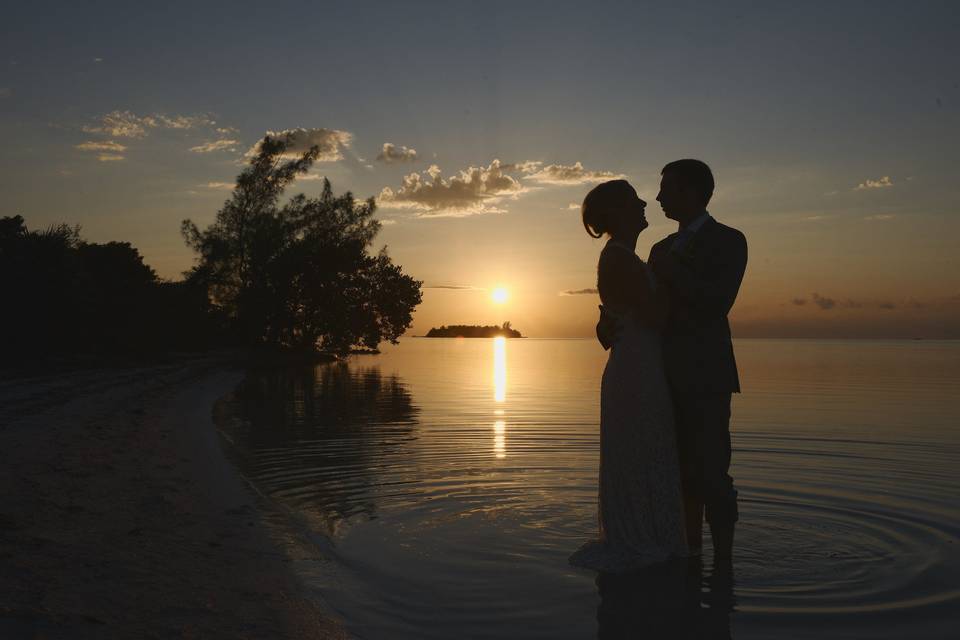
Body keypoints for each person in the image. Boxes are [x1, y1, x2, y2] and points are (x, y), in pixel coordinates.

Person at [598, 160, 747, 559]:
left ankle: (725, 569)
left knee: (712, 473)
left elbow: (717, 303)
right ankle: (688, 555)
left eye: (666, 188)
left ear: (692, 192)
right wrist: (609, 323)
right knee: (675, 474)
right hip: (656, 378)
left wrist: (671, 271)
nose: (659, 197)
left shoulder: (729, 241)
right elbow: (633, 302)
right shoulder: (659, 248)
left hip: (704, 377)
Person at [568, 179, 688, 573]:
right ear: (618, 213)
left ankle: (647, 532)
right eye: (634, 200)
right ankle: (639, 535)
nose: (643, 204)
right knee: (641, 450)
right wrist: (670, 280)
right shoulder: (619, 258)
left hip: (641, 365)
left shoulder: (626, 258)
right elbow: (654, 316)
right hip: (635, 370)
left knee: (646, 450)